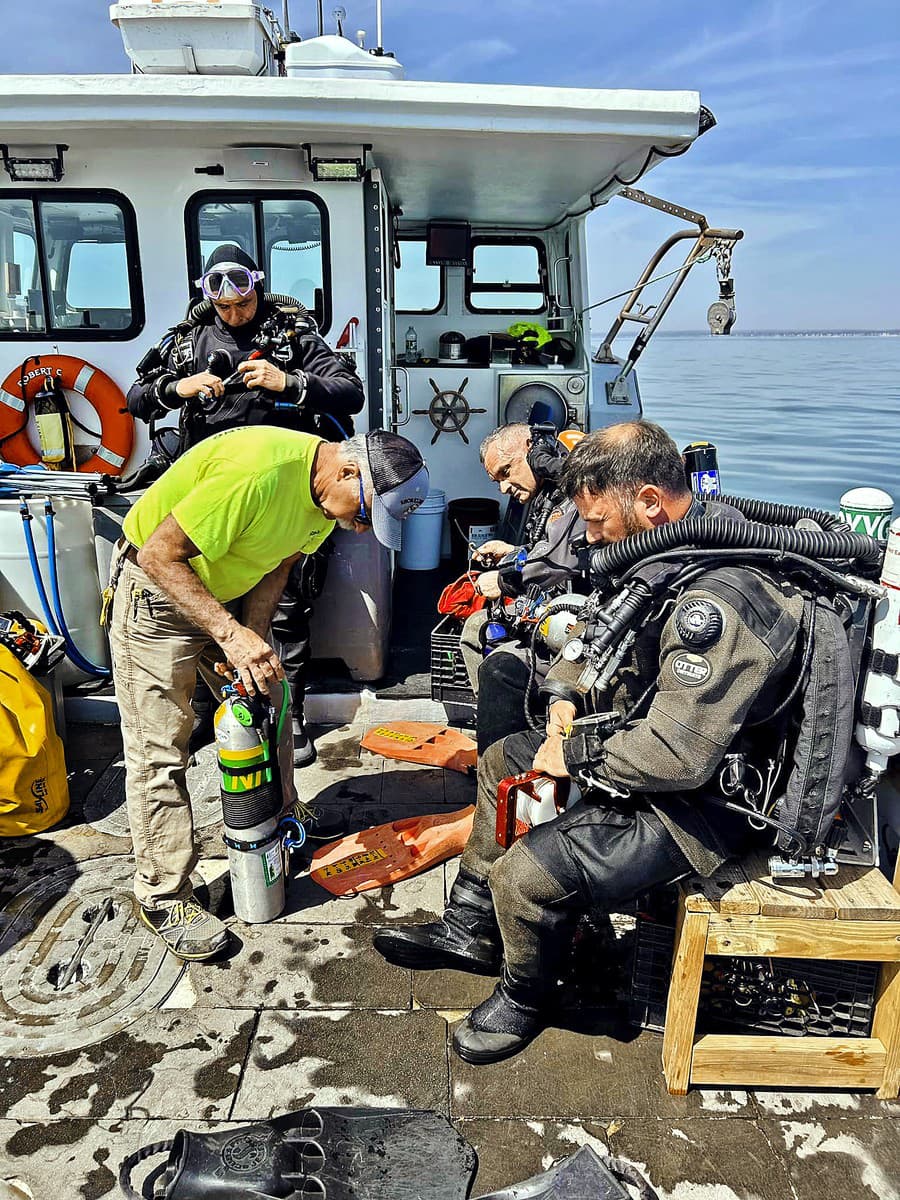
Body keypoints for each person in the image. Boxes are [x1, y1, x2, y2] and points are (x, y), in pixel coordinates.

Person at [375, 419, 809, 1064]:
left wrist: (571, 754)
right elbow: (595, 638)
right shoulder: (657, 560)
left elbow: (677, 756)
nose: (591, 537)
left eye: (599, 522)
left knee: (526, 877)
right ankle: (471, 930)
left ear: (649, 503)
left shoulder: (720, 602)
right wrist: (562, 704)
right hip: (632, 749)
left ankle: (529, 994)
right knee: (502, 760)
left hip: (701, 806)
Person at [108, 426, 429, 961]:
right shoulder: (259, 472)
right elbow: (160, 557)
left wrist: (253, 641)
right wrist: (231, 636)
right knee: (159, 747)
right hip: (157, 597)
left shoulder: (326, 502)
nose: (362, 525)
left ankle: (281, 814)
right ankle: (162, 894)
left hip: (219, 593)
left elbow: (277, 565)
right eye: (367, 511)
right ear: (348, 472)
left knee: (271, 700)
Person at [126, 244, 365, 767]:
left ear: (257, 285)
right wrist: (175, 389)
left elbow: (351, 392)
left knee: (284, 610)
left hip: (282, 493)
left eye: (243, 300)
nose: (234, 312)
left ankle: (289, 713)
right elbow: (136, 399)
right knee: (195, 600)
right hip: (211, 497)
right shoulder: (188, 340)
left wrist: (293, 384)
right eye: (223, 305)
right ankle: (202, 720)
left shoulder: (291, 332)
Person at [459, 423, 585, 752]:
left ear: (532, 450)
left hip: (577, 618)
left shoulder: (575, 494)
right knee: (475, 628)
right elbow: (549, 550)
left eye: (505, 472)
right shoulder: (549, 495)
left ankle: (510, 746)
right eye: (496, 480)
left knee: (496, 661)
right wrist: (512, 552)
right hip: (552, 604)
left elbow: (560, 562)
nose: (503, 488)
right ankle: (497, 722)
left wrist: (503, 580)